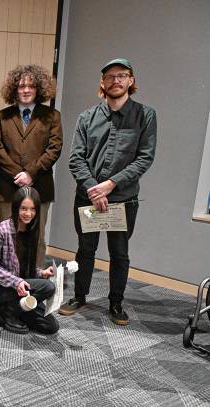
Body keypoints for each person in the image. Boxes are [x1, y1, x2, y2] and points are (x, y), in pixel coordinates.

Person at [58, 58, 157, 326]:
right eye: (110, 76)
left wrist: (111, 184)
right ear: (102, 82)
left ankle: (116, 302)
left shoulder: (145, 116)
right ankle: (79, 296)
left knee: (119, 253)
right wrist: (95, 189)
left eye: (122, 75)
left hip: (123, 200)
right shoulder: (86, 117)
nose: (116, 80)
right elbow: (76, 158)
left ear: (131, 81)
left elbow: (144, 158)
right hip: (88, 198)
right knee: (85, 250)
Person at [0, 64, 62, 267]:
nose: (25, 90)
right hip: (7, 187)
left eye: (31, 86)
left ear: (39, 89)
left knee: (37, 238)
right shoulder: (1, 117)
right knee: (7, 238)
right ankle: (6, 281)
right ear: (14, 89)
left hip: (40, 186)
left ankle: (36, 280)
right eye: (21, 86)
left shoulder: (52, 116)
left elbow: (54, 149)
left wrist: (30, 173)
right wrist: (19, 174)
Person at [0, 187, 59, 335]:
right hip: (0, 286)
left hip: (19, 286)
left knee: (50, 326)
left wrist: (41, 272)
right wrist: (16, 282)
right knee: (48, 287)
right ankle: (7, 311)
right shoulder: (0, 231)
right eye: (23, 208)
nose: (28, 213)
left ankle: (3, 307)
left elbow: (23, 266)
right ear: (15, 207)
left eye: (32, 209)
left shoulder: (32, 230)